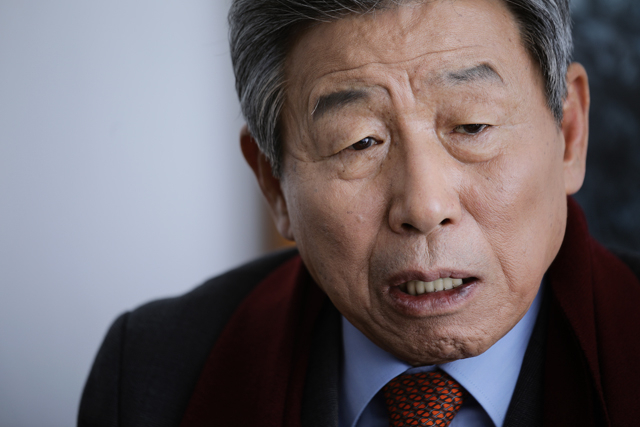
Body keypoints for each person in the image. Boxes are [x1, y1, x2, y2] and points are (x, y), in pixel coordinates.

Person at [78, 0, 640, 426]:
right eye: (359, 142)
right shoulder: (150, 376)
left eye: (471, 126)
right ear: (274, 185)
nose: (425, 206)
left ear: (569, 134)